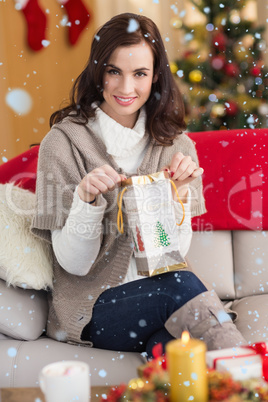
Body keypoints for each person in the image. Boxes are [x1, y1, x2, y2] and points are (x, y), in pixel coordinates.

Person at [31, 12, 246, 358]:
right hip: (93, 310)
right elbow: (74, 265)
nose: (125, 88)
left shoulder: (176, 146)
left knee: (175, 349)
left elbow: (170, 255)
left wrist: (179, 196)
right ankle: (249, 371)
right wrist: (86, 201)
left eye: (140, 74)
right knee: (178, 289)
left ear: (156, 76)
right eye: (113, 71)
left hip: (159, 303)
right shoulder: (63, 144)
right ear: (97, 70)